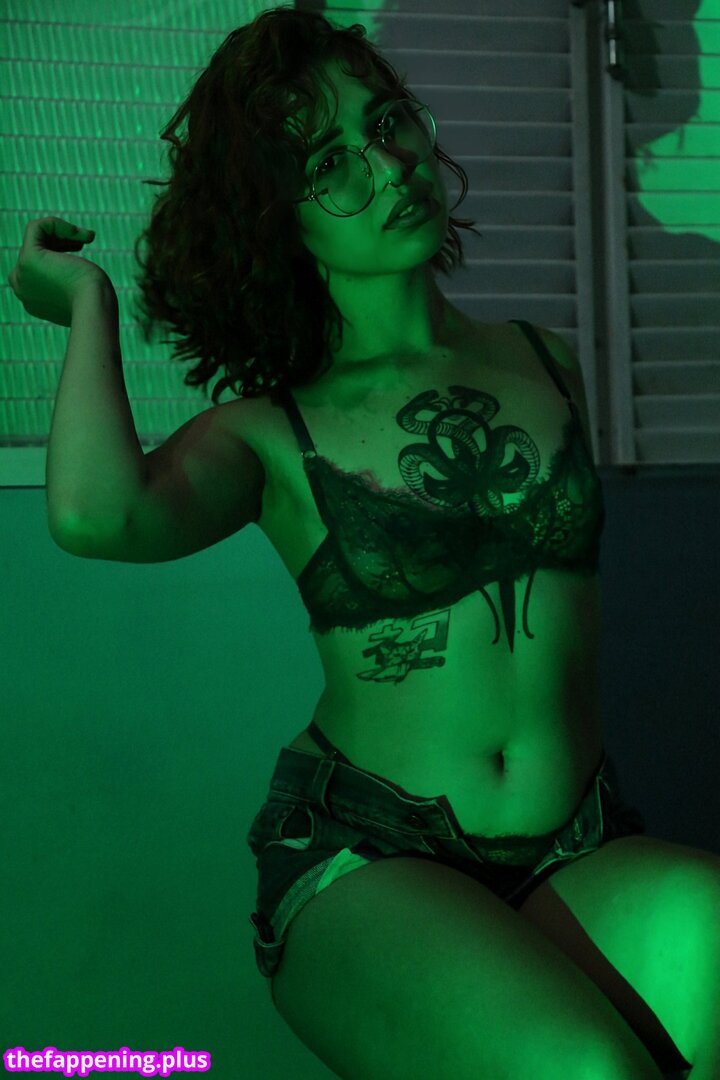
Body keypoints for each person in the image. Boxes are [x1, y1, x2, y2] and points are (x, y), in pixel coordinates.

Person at [9, 8, 715, 1079]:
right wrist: (85, 306)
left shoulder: (545, 358)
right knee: (588, 1070)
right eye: (329, 162)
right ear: (277, 219)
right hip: (369, 855)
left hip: (578, 842)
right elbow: (98, 517)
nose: (387, 167)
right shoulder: (271, 431)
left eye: (388, 124)